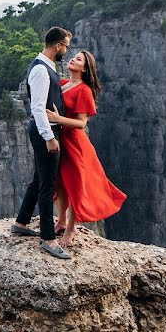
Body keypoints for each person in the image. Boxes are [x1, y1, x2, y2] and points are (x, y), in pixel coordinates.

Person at [46, 50, 126, 247]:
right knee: (60, 183)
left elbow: (82, 123)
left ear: (85, 68)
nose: (73, 59)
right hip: (60, 140)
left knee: (74, 185)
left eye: (79, 59)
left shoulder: (84, 90)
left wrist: (57, 119)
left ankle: (71, 228)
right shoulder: (64, 84)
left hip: (75, 143)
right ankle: (61, 221)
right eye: (74, 57)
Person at [11, 27, 72, 260]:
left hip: (46, 129)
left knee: (39, 179)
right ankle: (49, 239)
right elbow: (37, 107)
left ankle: (21, 222)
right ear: (57, 45)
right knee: (48, 184)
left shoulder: (46, 67)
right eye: (65, 46)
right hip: (44, 132)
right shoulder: (41, 70)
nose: (66, 51)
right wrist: (50, 138)